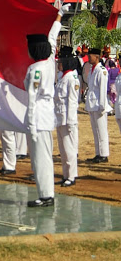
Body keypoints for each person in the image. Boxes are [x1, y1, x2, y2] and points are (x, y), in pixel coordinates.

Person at [24, 5, 68, 207]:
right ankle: (47, 193)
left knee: (40, 158)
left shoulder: (36, 70)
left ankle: (45, 196)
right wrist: (59, 15)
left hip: (38, 117)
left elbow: (32, 99)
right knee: (45, 156)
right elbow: (52, 38)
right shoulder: (50, 62)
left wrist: (31, 125)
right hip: (46, 115)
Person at [54, 47, 79, 187]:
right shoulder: (63, 77)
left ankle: (72, 176)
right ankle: (65, 175)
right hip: (59, 117)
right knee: (63, 149)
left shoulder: (72, 78)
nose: (59, 64)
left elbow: (72, 101)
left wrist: (70, 121)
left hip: (67, 119)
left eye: (61, 62)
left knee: (69, 149)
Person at [85, 48, 111, 163]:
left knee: (102, 130)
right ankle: (98, 153)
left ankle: (104, 154)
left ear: (97, 57)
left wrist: (102, 106)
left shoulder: (101, 70)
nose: (89, 57)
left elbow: (102, 89)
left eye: (90, 56)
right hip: (92, 103)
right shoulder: (92, 69)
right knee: (96, 131)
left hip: (99, 104)